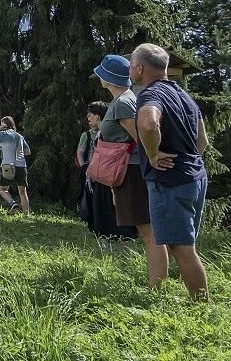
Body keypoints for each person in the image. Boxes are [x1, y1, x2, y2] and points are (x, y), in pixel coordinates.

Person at [131, 43, 210, 299]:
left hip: (171, 181)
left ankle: (201, 306)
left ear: (140, 68)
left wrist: (153, 154)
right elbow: (203, 141)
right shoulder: (184, 96)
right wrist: (190, 160)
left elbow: (148, 122)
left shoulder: (149, 94)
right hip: (195, 176)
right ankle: (199, 300)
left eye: (132, 65)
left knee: (181, 247)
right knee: (187, 245)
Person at [94, 53, 165, 285]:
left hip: (132, 170)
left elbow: (140, 138)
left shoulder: (124, 102)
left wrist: (154, 158)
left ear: (108, 78)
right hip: (127, 171)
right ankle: (156, 282)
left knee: (148, 231)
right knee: (146, 230)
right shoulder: (123, 100)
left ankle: (158, 286)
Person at [78, 100, 136, 249]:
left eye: (90, 116)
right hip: (101, 176)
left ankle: (124, 246)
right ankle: (106, 244)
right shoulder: (98, 133)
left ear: (98, 116)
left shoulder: (107, 132)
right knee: (102, 210)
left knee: (114, 210)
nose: (88, 119)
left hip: (111, 175)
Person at [0, 116, 32, 214]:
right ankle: (26, 214)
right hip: (21, 166)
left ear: (4, 124)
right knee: (22, 192)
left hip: (7, 166)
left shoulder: (2, 134)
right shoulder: (19, 136)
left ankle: (13, 203)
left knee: (3, 189)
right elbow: (28, 152)